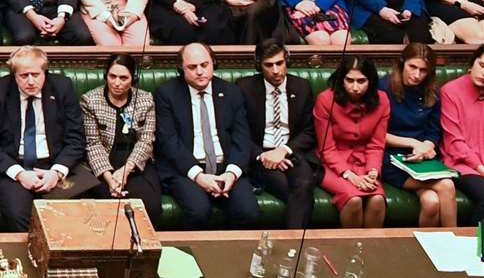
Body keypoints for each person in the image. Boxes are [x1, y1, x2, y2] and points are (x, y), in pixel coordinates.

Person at [0, 45, 84, 233]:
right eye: (24, 76)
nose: (31, 81)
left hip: (53, 164)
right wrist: (20, 174)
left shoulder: (62, 88)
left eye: (36, 74)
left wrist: (56, 172)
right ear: (14, 75)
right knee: (20, 216)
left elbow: (76, 139)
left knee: (69, 216)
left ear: (45, 72)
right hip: (12, 167)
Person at [156, 42, 259, 227]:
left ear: (213, 63)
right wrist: (199, 176)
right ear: (181, 68)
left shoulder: (231, 92)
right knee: (199, 211)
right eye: (192, 67)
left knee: (248, 211)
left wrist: (231, 173)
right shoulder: (167, 93)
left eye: (204, 65)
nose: (200, 72)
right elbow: (169, 142)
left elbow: (241, 138)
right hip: (186, 169)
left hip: (226, 166)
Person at [236, 40, 320, 230]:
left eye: (279, 63)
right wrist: (263, 155)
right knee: (292, 190)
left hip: (292, 152)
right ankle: (294, 245)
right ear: (259, 65)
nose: (275, 71)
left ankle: (291, 245)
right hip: (261, 156)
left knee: (305, 183)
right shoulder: (244, 88)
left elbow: (309, 131)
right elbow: (239, 131)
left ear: (286, 61)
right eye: (269, 65)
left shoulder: (302, 87)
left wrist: (283, 150)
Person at [380, 42, 458, 228]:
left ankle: (430, 252)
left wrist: (428, 146)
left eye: (423, 70)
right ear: (402, 63)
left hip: (421, 159)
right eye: (412, 67)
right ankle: (456, 242)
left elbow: (433, 131)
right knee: (447, 185)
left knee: (431, 202)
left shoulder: (431, 92)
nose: (417, 75)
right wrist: (414, 143)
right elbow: (376, 134)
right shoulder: (384, 87)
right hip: (390, 158)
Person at [79, 52, 162, 224]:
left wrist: (126, 170)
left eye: (123, 78)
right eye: (112, 76)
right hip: (102, 168)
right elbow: (92, 144)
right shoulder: (90, 101)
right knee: (106, 206)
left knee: (150, 206)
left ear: (134, 78)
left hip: (135, 165)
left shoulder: (145, 100)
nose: (116, 83)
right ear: (105, 75)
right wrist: (110, 177)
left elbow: (146, 140)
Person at [313, 53, 389, 229]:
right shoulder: (326, 100)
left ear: (370, 81)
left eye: (361, 81)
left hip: (364, 161)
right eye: (349, 80)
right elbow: (327, 149)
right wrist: (350, 175)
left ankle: (370, 252)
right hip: (331, 164)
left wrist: (372, 171)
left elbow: (376, 144)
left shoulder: (382, 100)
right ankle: (350, 252)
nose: (355, 87)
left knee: (377, 199)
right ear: (341, 80)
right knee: (353, 199)